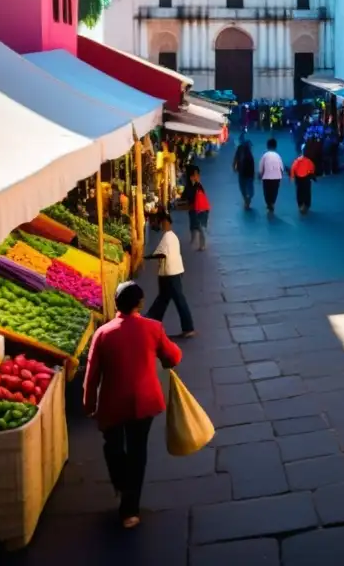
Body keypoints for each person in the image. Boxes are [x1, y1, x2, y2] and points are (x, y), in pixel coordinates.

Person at [83, 281, 182, 529]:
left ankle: (120, 483)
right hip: (144, 402)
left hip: (112, 403)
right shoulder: (153, 328)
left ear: (116, 303)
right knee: (138, 452)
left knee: (113, 447)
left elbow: (92, 376)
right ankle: (130, 510)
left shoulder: (103, 334)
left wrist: (89, 404)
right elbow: (173, 357)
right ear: (140, 304)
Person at [145, 211, 195, 338]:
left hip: (170, 274)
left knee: (177, 300)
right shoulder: (171, 236)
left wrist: (147, 257)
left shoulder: (168, 237)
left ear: (165, 223)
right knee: (163, 299)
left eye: (160, 223)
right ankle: (151, 323)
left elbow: (161, 253)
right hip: (170, 273)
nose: (159, 226)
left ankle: (188, 327)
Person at [180, 165, 210, 250]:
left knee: (199, 227)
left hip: (200, 210)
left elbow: (200, 197)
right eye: (195, 175)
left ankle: (202, 244)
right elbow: (185, 196)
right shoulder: (191, 186)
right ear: (191, 177)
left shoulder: (198, 186)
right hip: (193, 210)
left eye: (198, 175)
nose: (197, 177)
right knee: (193, 226)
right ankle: (193, 240)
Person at [258, 137, 285, 213]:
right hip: (277, 177)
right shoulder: (278, 156)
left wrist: (260, 174)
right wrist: (281, 175)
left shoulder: (264, 155)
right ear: (275, 146)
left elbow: (261, 166)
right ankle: (272, 203)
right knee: (274, 191)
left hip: (266, 177)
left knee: (266, 191)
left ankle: (268, 203)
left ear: (267, 146)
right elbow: (281, 167)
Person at [232, 139, 256, 209]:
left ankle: (247, 199)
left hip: (243, 173)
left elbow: (235, 158)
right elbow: (236, 158)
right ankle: (247, 199)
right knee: (247, 187)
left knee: (243, 187)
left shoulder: (244, 152)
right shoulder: (246, 152)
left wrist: (234, 166)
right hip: (246, 173)